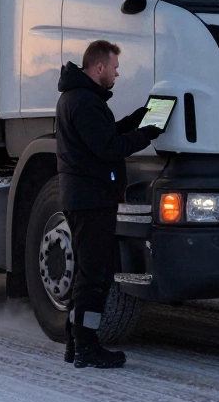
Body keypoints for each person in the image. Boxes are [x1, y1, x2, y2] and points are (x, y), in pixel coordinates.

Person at [55, 39, 162, 369]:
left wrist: (137, 120)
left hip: (86, 197)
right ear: (99, 67)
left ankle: (76, 343)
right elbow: (108, 148)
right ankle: (87, 347)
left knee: (87, 272)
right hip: (91, 200)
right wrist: (148, 133)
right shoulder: (85, 101)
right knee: (96, 275)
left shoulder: (78, 98)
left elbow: (103, 135)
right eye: (114, 67)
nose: (117, 73)